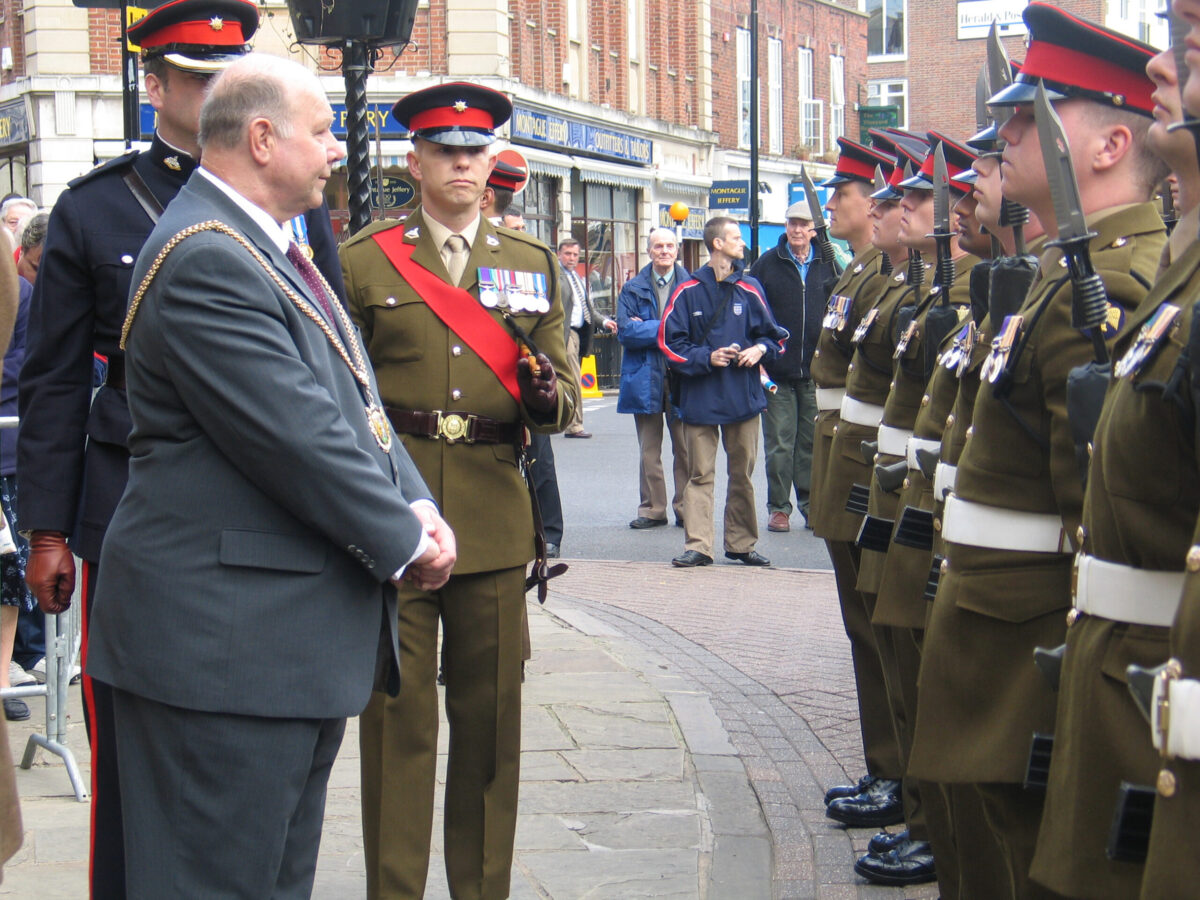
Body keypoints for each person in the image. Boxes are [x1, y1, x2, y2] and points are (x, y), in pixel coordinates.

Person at [85, 52, 453, 897]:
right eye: (322, 132)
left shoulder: (265, 247)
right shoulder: (209, 257)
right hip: (222, 655)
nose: (336, 150)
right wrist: (404, 540)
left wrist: (417, 499)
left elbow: (350, 398)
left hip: (269, 649)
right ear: (261, 138)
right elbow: (296, 436)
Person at [14, 1, 345, 895]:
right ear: (153, 86)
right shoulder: (95, 207)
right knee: (132, 745)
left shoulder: (291, 201)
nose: (217, 92)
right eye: (198, 78)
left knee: (261, 754)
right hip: (133, 499)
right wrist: (46, 527)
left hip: (274, 508)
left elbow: (337, 355)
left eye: (230, 73)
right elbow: (48, 382)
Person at [907, 6, 1167, 897]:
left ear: (1107, 144)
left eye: (1033, 112)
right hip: (993, 620)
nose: (1007, 132)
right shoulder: (1058, 274)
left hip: (1032, 639)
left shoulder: (1115, 284)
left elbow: (1099, 511)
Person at [339, 81, 575, 900]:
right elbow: (341, 391)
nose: (463, 164)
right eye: (446, 150)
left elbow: (564, 396)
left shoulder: (532, 264)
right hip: (398, 519)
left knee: (490, 730)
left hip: (493, 521)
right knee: (397, 729)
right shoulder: (365, 258)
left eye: (476, 151)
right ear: (416, 161)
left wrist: (548, 397)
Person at [1028, 18, 1200, 900]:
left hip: (1145, 676)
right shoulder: (1171, 271)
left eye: (1194, 34)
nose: (1162, 62)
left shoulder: (1138, 273)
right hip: (1120, 666)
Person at [809, 136, 902, 817]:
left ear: (874, 203)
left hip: (868, 468)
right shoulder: (857, 275)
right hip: (842, 462)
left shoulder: (883, 281)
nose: (832, 203)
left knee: (879, 634)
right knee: (864, 631)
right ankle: (885, 766)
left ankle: (896, 771)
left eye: (843, 192)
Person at [658, 216, 788, 568]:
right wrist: (707, 357)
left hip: (744, 398)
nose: (741, 243)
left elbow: (775, 337)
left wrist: (758, 350)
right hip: (700, 398)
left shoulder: (750, 287)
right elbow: (669, 344)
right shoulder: (687, 291)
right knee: (700, 475)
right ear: (717, 244)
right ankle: (699, 546)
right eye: (734, 237)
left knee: (742, 474)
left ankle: (742, 544)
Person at [749, 201, 837, 532]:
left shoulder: (828, 263)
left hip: (816, 371)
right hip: (776, 371)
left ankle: (811, 504)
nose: (797, 230)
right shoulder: (767, 264)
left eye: (804, 224)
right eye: (792, 223)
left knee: (812, 443)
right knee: (780, 443)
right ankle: (778, 507)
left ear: (815, 229)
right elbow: (752, 309)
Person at [0, 213, 45, 721]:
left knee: (8, 570)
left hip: (7, 449)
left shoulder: (22, 295)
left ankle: (6, 668)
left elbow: (20, 363)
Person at [617, 226, 690, 529]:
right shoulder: (632, 288)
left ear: (677, 250)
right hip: (644, 375)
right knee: (649, 450)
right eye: (658, 246)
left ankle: (687, 508)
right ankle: (652, 509)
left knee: (685, 448)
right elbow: (625, 332)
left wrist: (649, 326)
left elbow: (695, 332)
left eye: (669, 246)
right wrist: (667, 328)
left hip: (682, 375)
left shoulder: (692, 286)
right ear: (649, 250)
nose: (664, 251)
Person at [558, 236, 615, 438]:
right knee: (573, 379)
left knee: (566, 380)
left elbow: (587, 307)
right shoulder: (556, 276)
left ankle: (564, 420)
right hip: (564, 333)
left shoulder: (577, 278)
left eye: (575, 254)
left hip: (580, 333)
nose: (572, 258)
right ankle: (574, 425)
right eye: (567, 254)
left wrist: (605, 322)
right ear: (559, 254)